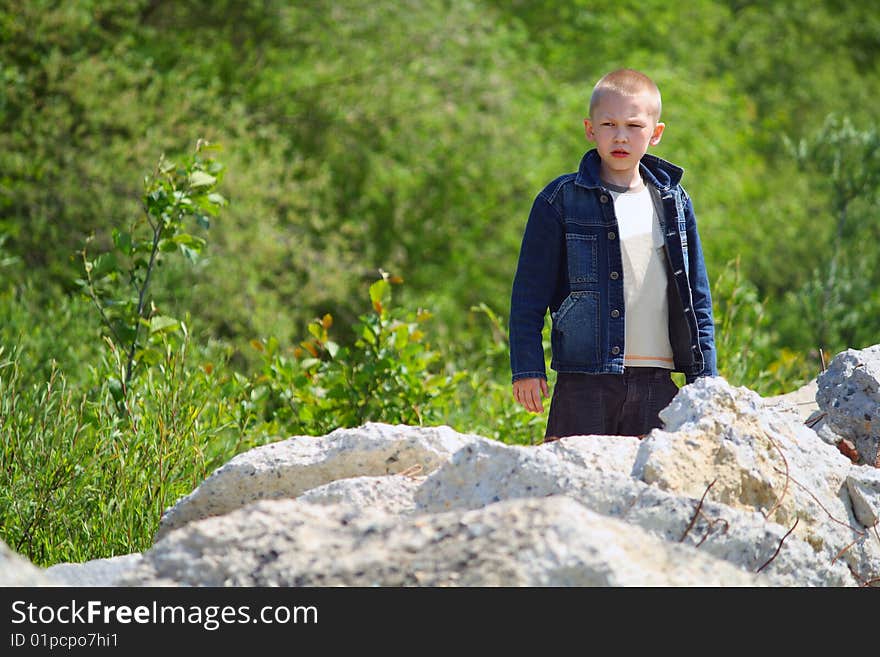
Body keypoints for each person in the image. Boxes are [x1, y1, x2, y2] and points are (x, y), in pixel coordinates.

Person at [508, 68, 716, 439]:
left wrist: (707, 380)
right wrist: (527, 367)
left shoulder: (674, 202)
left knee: (651, 489)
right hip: (584, 381)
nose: (620, 136)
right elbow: (528, 294)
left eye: (634, 126)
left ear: (656, 133)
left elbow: (696, 296)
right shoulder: (561, 200)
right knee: (572, 487)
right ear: (590, 129)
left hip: (659, 381)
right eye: (609, 124)